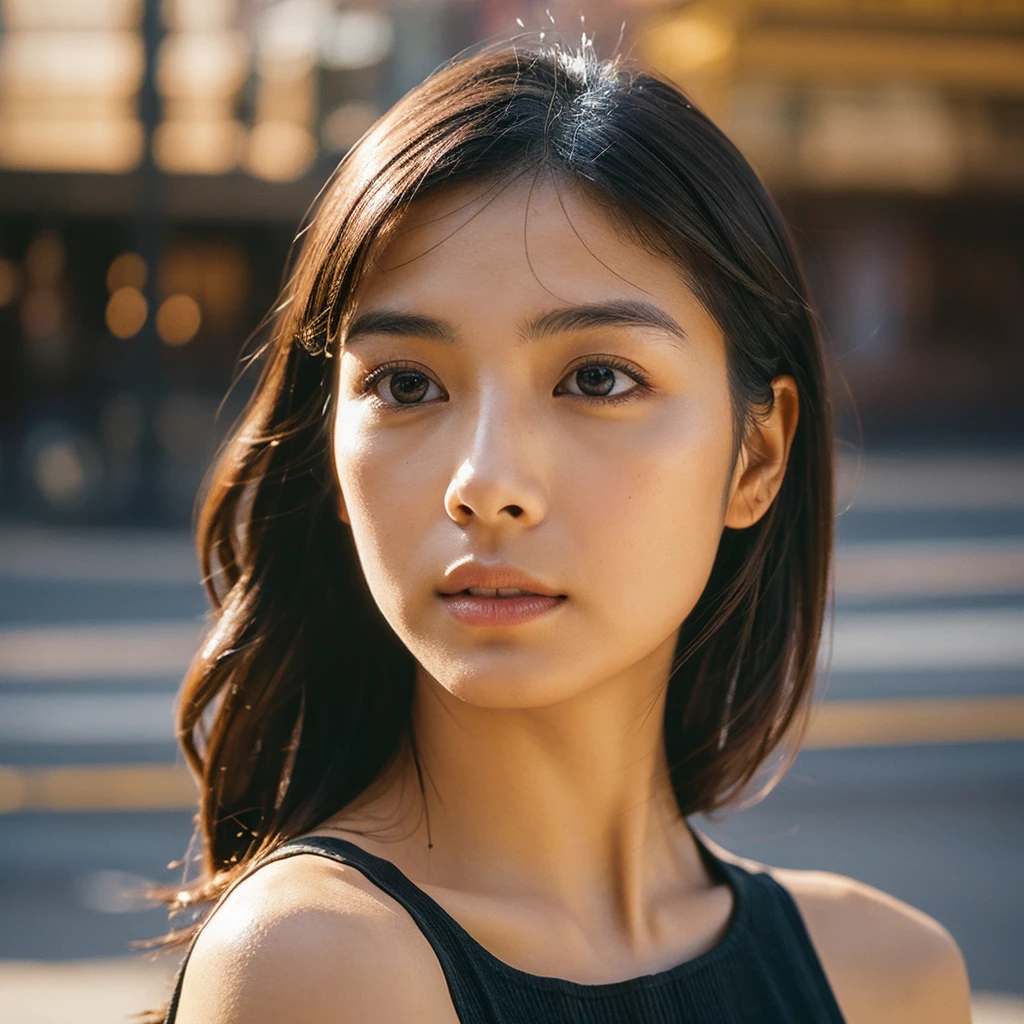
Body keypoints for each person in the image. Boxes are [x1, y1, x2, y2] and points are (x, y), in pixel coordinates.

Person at [146, 38, 971, 1024]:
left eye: (596, 379)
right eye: (405, 384)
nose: (485, 484)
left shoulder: (889, 977)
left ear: (754, 457)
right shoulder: (317, 965)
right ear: (329, 453)